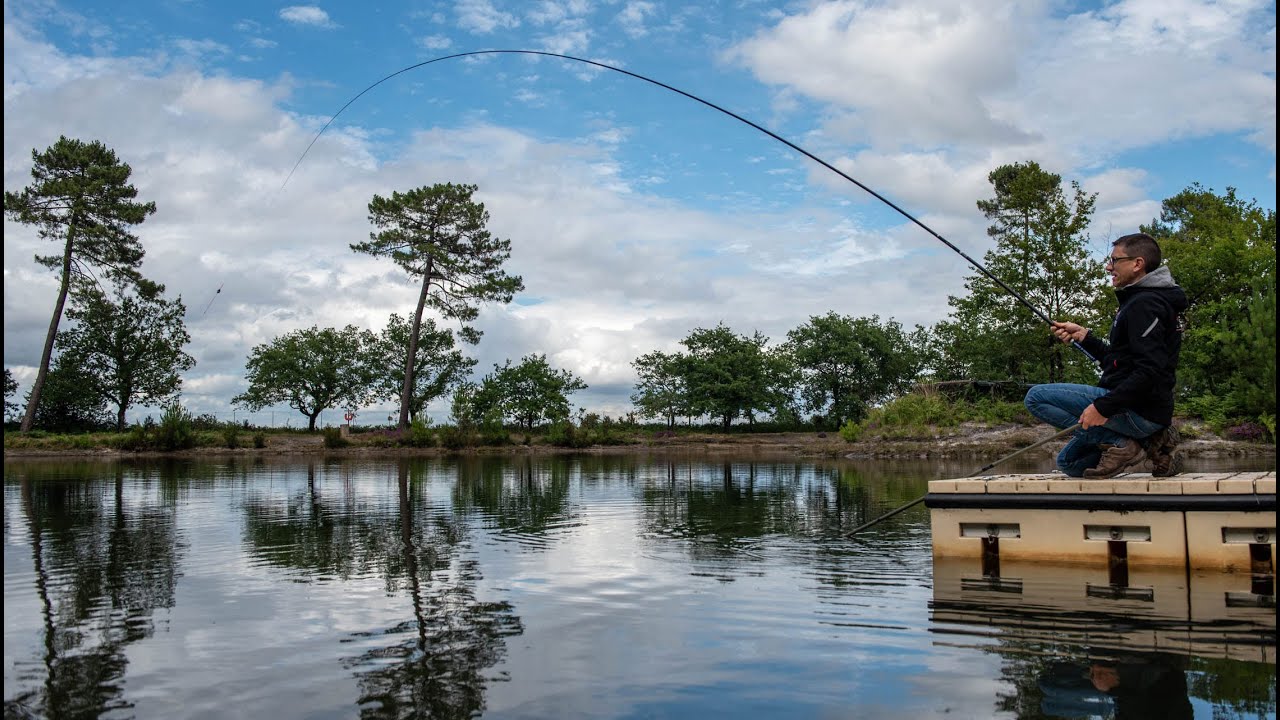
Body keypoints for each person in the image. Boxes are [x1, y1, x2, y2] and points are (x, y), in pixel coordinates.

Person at [1024, 232, 1187, 478]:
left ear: (1137, 264)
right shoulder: (1140, 301)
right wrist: (1085, 338)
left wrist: (1102, 407)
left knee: (1035, 397)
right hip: (1136, 408)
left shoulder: (1145, 304)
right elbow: (1121, 363)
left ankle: (1123, 444)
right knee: (1069, 463)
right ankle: (1149, 444)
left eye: (1115, 260)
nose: (1109, 267)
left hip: (1139, 409)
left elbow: (1150, 371)